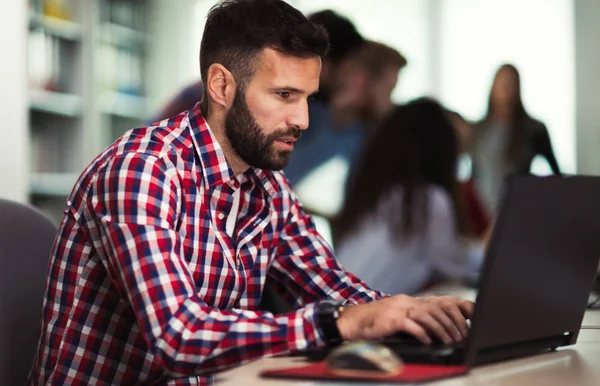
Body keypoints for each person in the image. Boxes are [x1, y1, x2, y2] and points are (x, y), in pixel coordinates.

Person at [28, 1, 472, 385]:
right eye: (284, 95)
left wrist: (411, 313)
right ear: (221, 86)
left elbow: (328, 285)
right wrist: (338, 323)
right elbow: (178, 337)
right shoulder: (141, 172)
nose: (302, 119)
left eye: (307, 98)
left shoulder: (266, 185)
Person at [334, 99, 484, 295]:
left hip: (330, 311)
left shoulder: (376, 195)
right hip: (364, 317)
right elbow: (457, 264)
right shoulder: (426, 201)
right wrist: (489, 247)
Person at [471, 63, 561, 214]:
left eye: (510, 85)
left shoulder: (533, 130)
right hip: (482, 217)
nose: (506, 91)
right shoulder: (479, 129)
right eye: (502, 84)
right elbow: (474, 175)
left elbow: (556, 177)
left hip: (517, 213)